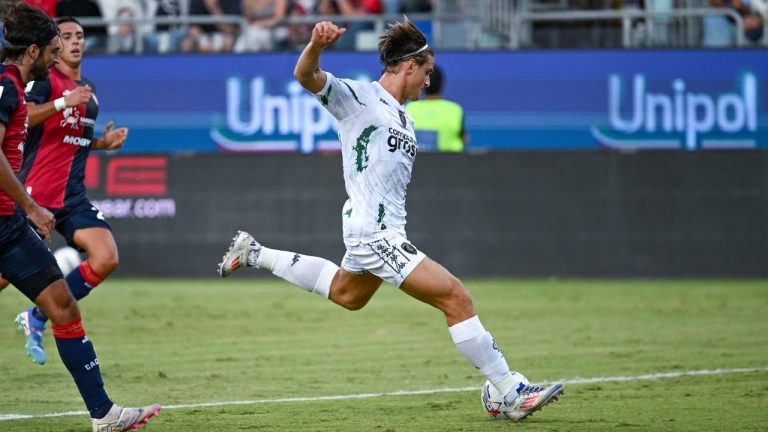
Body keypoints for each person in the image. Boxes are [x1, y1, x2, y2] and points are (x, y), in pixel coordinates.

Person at [217, 18, 564, 421]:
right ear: (410, 65)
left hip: (380, 230)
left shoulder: (405, 118)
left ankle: (254, 253)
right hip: (373, 233)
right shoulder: (359, 98)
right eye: (427, 72)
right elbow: (305, 75)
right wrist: (316, 45)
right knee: (456, 297)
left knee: (348, 295)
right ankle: (509, 389)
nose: (428, 82)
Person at [0, 3, 159, 431]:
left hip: (13, 222)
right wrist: (31, 206)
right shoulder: (9, 86)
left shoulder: (34, 85)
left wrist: (101, 144)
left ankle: (104, 415)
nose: (60, 55)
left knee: (63, 306)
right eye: (54, 48)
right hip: (18, 211)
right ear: (33, 50)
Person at [0, 15, 129, 367]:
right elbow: (23, 116)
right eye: (66, 36)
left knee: (106, 257)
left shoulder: (88, 90)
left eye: (80, 36)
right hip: (35, 192)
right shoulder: (43, 82)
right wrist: (62, 102)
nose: (74, 42)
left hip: (71, 196)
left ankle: (36, 317)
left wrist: (102, 143)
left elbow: (72, 138)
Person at [405, 64, 467, 152]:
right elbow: (463, 139)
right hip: (450, 159)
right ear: (442, 83)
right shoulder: (455, 110)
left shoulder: (409, 108)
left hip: (416, 160)